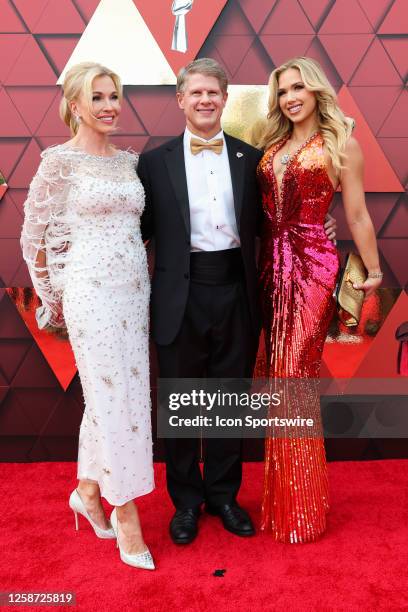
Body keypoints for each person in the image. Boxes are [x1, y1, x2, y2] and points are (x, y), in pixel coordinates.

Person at [138, 58, 336, 545]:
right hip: (178, 293)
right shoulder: (153, 161)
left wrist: (322, 227)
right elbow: (137, 233)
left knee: (229, 399)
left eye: (214, 92)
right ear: (181, 99)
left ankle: (224, 496)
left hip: (236, 290)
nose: (206, 100)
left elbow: (281, 222)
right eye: (196, 92)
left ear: (226, 100)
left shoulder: (252, 159)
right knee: (182, 402)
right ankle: (185, 503)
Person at [21, 62, 155, 569]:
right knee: (110, 396)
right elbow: (34, 236)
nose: (109, 106)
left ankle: (87, 491)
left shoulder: (128, 162)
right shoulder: (58, 162)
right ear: (75, 105)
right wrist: (53, 298)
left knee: (116, 397)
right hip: (89, 293)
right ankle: (125, 513)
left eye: (114, 96)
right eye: (97, 97)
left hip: (132, 293)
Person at [255, 56, 383, 543]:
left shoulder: (341, 144)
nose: (290, 97)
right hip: (269, 266)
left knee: (294, 376)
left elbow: (357, 214)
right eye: (283, 90)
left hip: (313, 267)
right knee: (275, 377)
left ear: (315, 91)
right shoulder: (272, 144)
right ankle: (287, 501)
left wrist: (372, 271)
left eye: (297, 88)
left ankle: (302, 509)